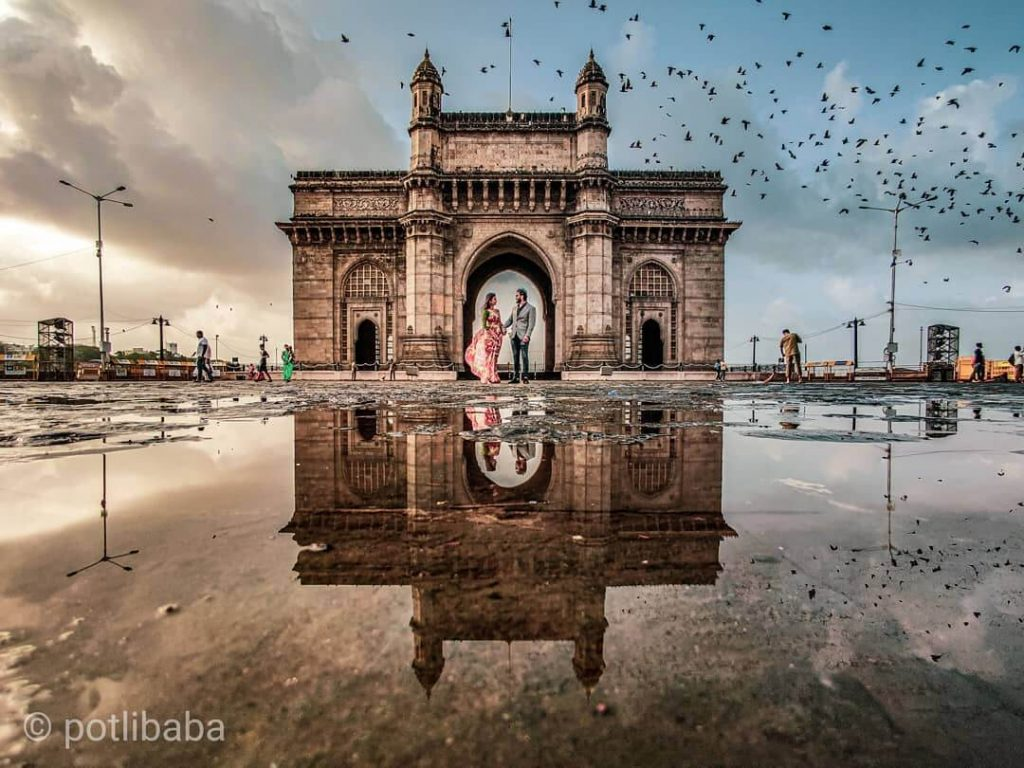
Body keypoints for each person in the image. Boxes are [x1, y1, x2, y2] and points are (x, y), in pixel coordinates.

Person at [464, 292, 504, 383]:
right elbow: (484, 325)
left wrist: (502, 329)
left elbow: (500, 322)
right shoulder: (485, 312)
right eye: (494, 299)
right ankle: (485, 376)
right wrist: (492, 332)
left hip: (498, 337)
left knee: (494, 357)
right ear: (489, 301)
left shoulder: (497, 311)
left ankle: (493, 376)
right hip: (488, 336)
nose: (496, 300)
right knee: (487, 357)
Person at [504, 287, 537, 384]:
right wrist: (502, 326)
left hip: (523, 336)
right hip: (514, 336)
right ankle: (516, 377)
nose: (516, 297)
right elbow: (510, 320)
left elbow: (531, 324)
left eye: (517, 295)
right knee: (515, 357)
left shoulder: (531, 308)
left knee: (524, 356)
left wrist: (528, 335)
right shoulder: (514, 308)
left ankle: (525, 377)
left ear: (522, 296)